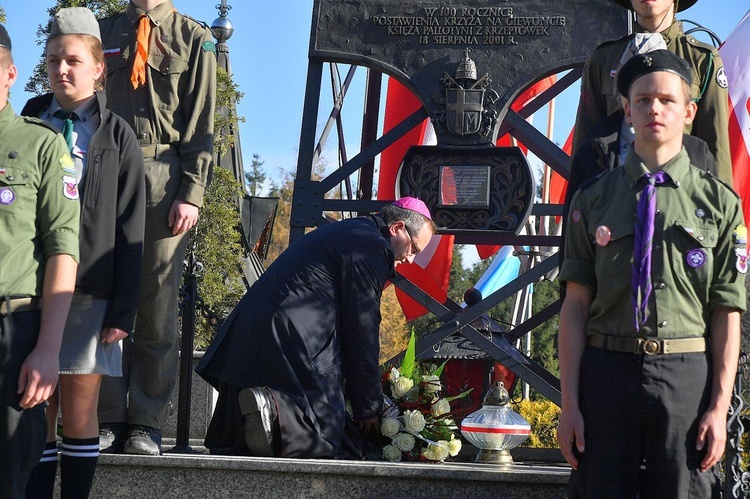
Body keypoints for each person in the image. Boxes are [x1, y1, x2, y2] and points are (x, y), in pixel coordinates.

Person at [557, 49, 746, 497]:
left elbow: (727, 312)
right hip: (607, 373)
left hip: (686, 376)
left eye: (666, 100)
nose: (654, 109)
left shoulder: (720, 204)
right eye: (642, 100)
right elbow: (575, 307)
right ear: (626, 110)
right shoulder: (593, 200)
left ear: (689, 111)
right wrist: (568, 405)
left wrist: (719, 409)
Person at [196, 197, 437, 459]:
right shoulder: (373, 247)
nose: (411, 259)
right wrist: (368, 406)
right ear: (397, 228)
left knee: (234, 435)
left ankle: (255, 416)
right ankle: (271, 410)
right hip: (291, 336)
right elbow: (362, 330)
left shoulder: (348, 232)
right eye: (414, 248)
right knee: (325, 429)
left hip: (248, 331)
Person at [21, 8, 145, 498]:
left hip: (91, 292)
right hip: (32, 287)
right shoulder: (29, 120)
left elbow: (131, 226)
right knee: (36, 406)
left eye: (73, 60)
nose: (61, 70)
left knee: (77, 407)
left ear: (98, 68)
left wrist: (124, 308)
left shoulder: (117, 137)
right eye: (53, 61)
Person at [97, 0, 216, 455]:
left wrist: (192, 191)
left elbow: (202, 119)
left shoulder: (193, 37)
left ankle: (146, 423)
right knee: (103, 295)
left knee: (157, 301)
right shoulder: (103, 30)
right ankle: (107, 417)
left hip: (162, 173)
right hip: (104, 171)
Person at [0, 24, 80, 499]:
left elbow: (62, 250)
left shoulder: (41, 145)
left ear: (9, 74)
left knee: (10, 480)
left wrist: (48, 349)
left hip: (13, 335)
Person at [572, 0, 732, 184]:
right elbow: (585, 148)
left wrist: (719, 208)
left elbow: (716, 151)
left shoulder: (702, 60)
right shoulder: (603, 59)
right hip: (614, 198)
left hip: (680, 198)